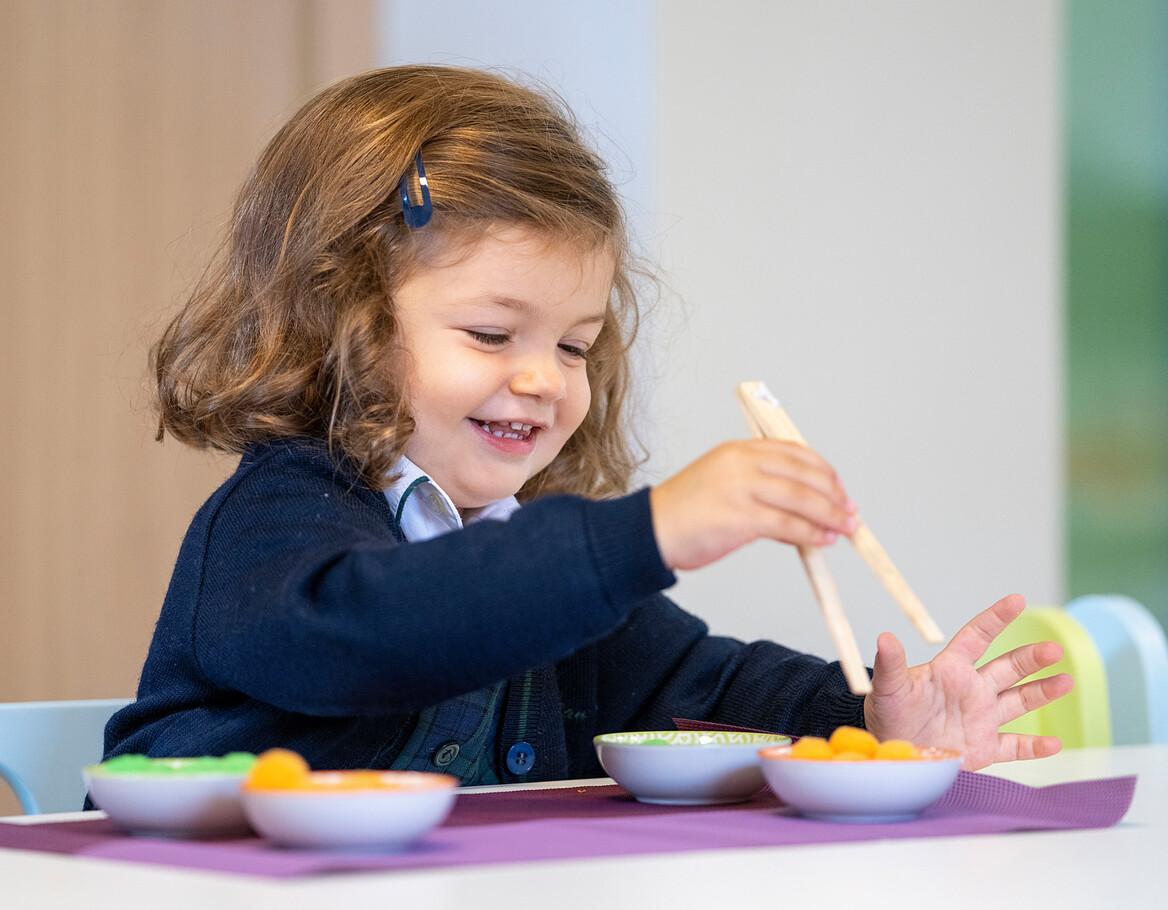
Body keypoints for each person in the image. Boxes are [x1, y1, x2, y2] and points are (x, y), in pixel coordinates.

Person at [104, 66, 1072, 783]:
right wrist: (646, 532)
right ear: (343, 318)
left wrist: (866, 713)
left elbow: (700, 683)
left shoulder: (523, 547)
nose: (542, 379)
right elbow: (383, 626)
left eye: (574, 346)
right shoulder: (273, 520)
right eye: (492, 332)